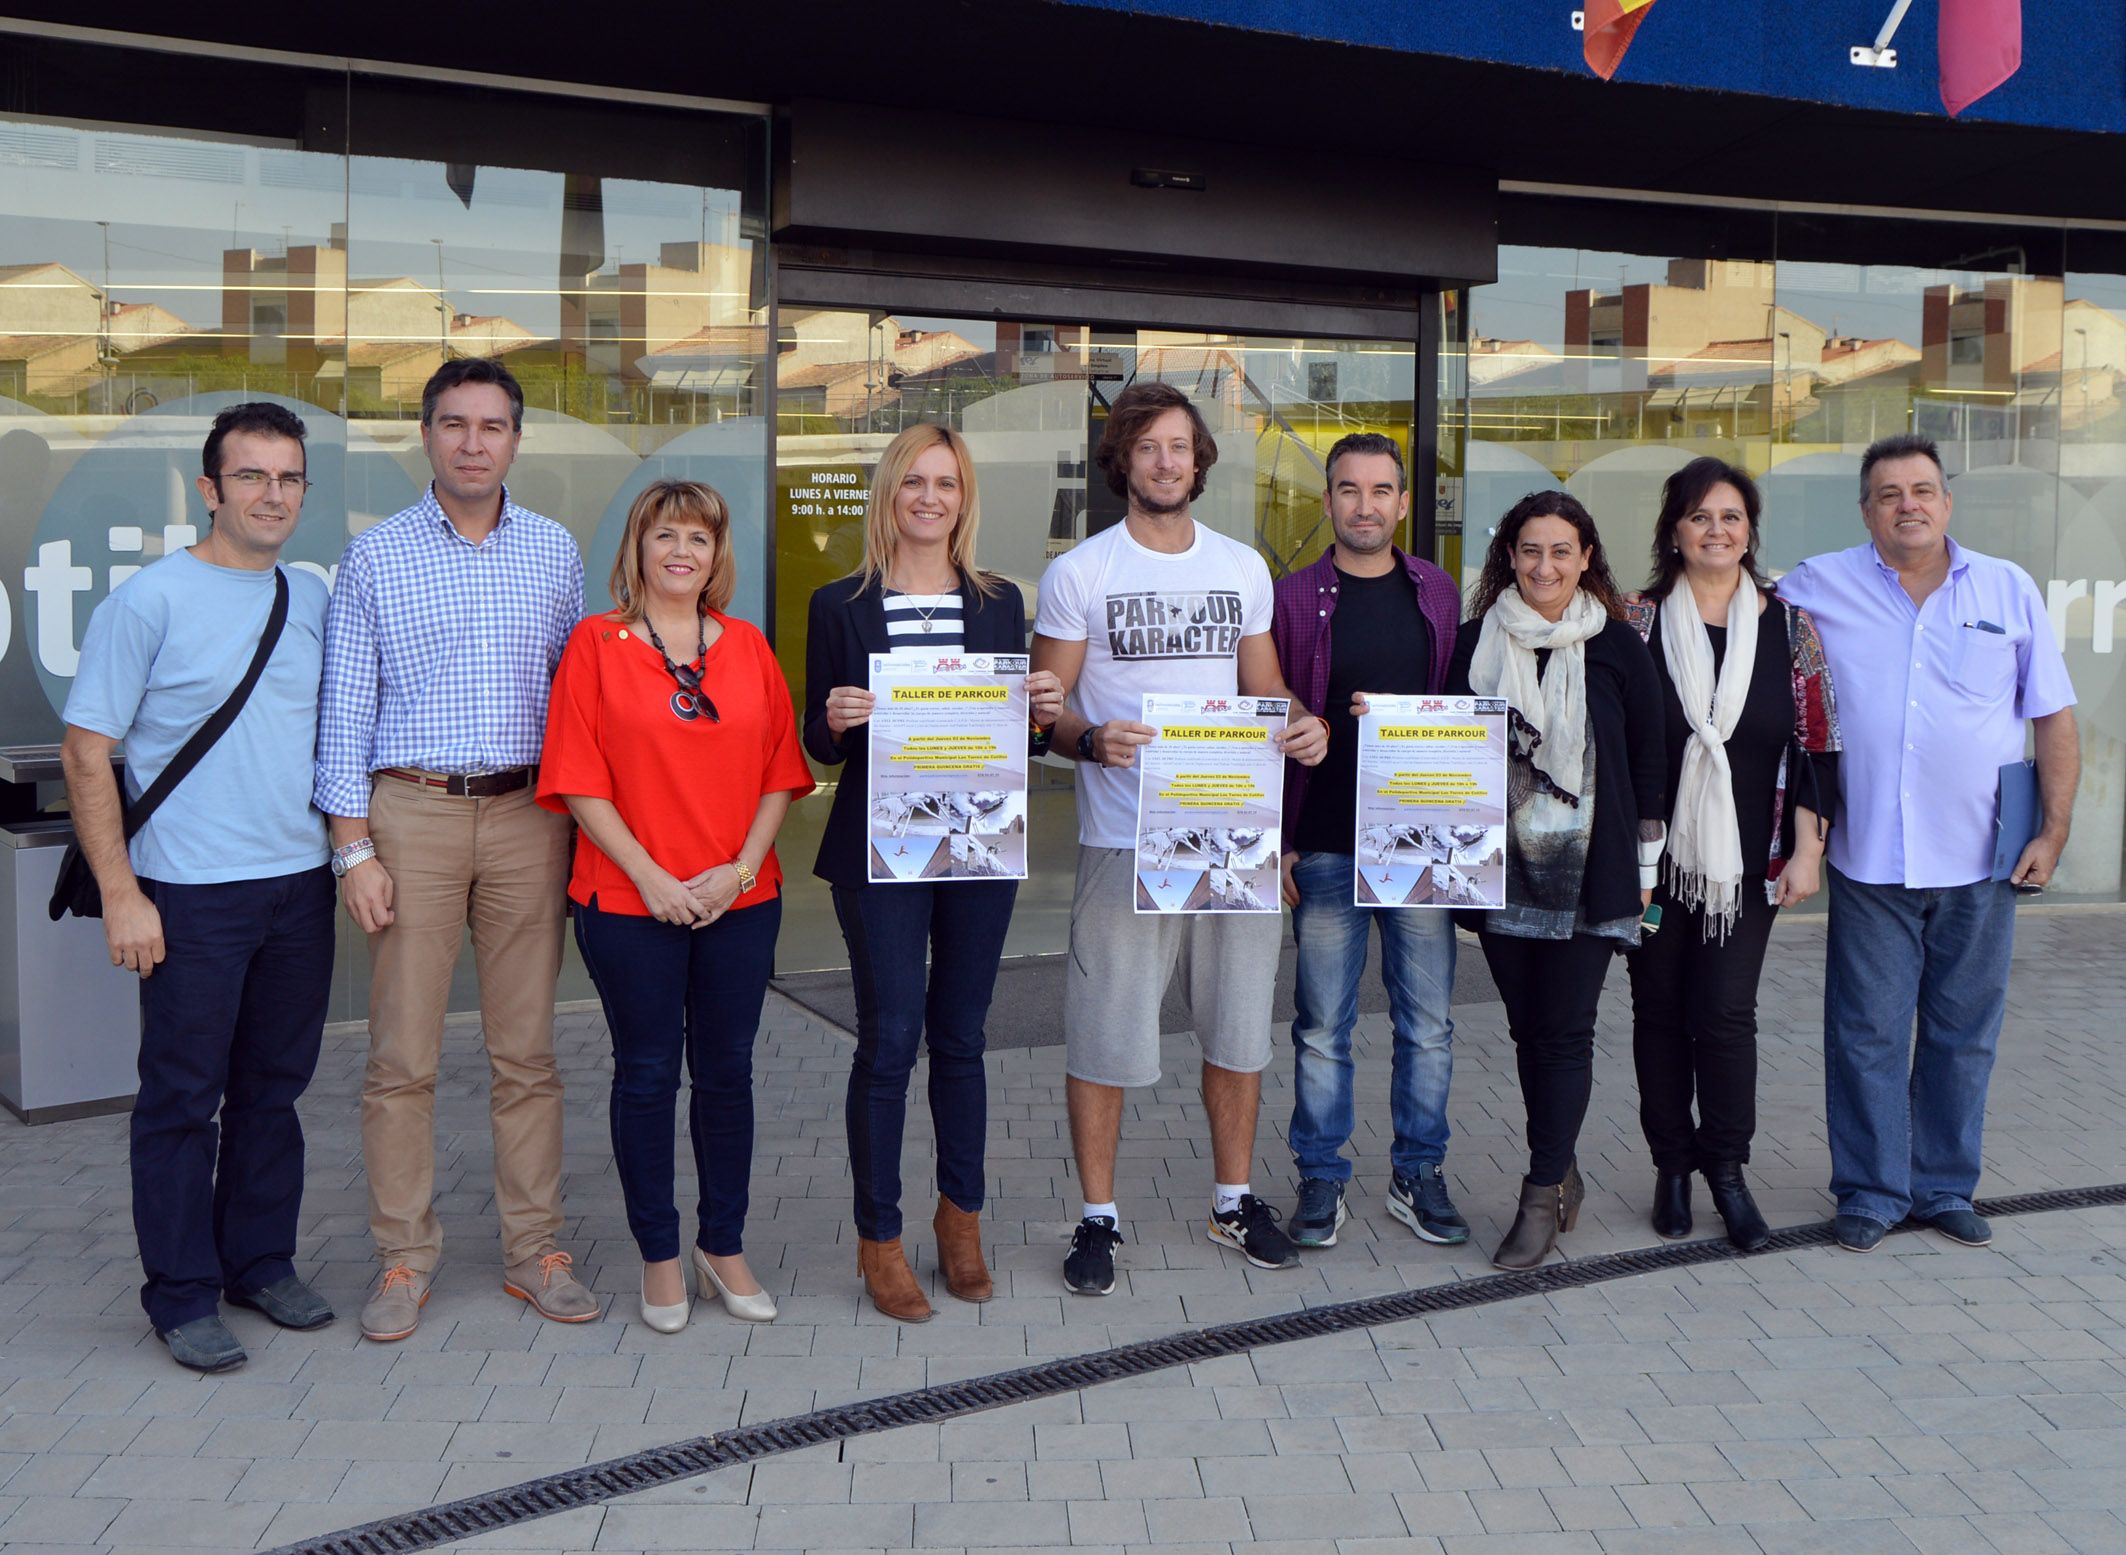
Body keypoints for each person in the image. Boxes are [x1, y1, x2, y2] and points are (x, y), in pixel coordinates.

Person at [1031, 380, 1328, 1296]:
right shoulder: (1082, 571)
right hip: (1125, 838)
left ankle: (1233, 1199)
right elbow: (1043, 711)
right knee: (1104, 1034)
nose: (1167, 461)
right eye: (1149, 446)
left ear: (1201, 460)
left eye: (1181, 446)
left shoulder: (1242, 566)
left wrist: (1303, 722)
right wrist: (1089, 738)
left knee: (1240, 1029)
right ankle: (1097, 1217)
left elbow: (1263, 687)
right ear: (1123, 460)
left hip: (1228, 835)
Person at [316, 358, 591, 1340]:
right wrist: (353, 850)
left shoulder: (554, 551)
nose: (474, 440)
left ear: (516, 439)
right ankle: (403, 1256)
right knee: (401, 1056)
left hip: (528, 818)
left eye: (492, 425)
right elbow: (344, 708)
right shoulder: (379, 555)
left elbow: (579, 695)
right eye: (454, 423)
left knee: (527, 1052)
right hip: (414, 817)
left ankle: (534, 1249)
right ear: (425, 435)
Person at [61, 402, 335, 1372]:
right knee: (182, 1099)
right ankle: (180, 1294)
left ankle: (258, 1261)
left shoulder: (310, 598)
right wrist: (122, 891)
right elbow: (87, 751)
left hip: (298, 888)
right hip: (189, 896)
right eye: (251, 476)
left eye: (289, 477)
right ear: (210, 489)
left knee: (274, 1091)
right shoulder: (149, 602)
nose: (272, 493)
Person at [1778, 433, 2077, 1253]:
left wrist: (2052, 832)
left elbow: (2051, 717)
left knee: (1963, 1030)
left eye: (1922, 489)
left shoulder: (2007, 589)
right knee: (1865, 1031)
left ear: (1946, 502)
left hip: (1983, 855)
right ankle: (1872, 1189)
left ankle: (1943, 1185)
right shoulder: (1817, 586)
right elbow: (1722, 603)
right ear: (1867, 510)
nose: (1907, 504)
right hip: (1871, 853)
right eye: (1888, 493)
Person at [804, 424, 1066, 1322]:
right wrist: (836, 717)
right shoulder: (839, 602)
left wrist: (1042, 709)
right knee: (888, 1038)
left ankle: (962, 1221)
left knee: (961, 1035)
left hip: (978, 842)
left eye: (946, 483)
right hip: (880, 847)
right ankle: (879, 1239)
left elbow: (1015, 733)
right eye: (913, 480)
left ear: (964, 497)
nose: (929, 497)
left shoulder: (1000, 604)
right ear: (890, 492)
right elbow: (815, 743)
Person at [540, 479, 813, 1330]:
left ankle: (720, 1245)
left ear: (716, 553)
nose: (682, 552)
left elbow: (780, 773)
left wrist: (736, 871)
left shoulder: (748, 647)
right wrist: (652, 877)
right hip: (628, 899)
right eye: (665, 536)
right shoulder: (596, 643)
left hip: (740, 896)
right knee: (649, 1073)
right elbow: (578, 778)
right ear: (638, 548)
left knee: (728, 1073)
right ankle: (660, 1253)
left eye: (698, 537)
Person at [1621, 458, 1842, 1252]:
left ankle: (1728, 1170)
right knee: (1658, 1012)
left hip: (1749, 863)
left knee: (1723, 1014)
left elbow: (1820, 742)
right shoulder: (1634, 620)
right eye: (1699, 516)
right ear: (1673, 531)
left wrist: (1809, 850)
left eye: (1731, 516)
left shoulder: (1789, 627)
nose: (1716, 530)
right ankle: (1671, 1168)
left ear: (1749, 532)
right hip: (1650, 861)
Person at [1445, 491, 1665, 1270]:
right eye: (1530, 550)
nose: (1545, 566)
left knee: (1566, 1030)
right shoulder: (1476, 640)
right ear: (1510, 554)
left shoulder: (1616, 646)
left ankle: (1540, 1191)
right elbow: (1440, 742)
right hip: (1500, 872)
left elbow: (1649, 759)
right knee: (1528, 1029)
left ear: (1585, 559)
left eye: (1561, 552)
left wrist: (1645, 873)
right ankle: (1560, 1160)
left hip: (1591, 875)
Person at [1269, 432, 1467, 1249]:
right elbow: (1265, 717)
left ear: (1402, 503)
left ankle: (1417, 1171)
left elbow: (1460, 714)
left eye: (1380, 490)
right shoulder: (1290, 597)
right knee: (1322, 1026)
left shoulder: (1439, 592)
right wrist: (1276, 839)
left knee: (1429, 1023)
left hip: (1417, 844)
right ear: (1328, 502)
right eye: (1348, 490)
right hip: (1322, 843)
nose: (1364, 505)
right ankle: (1321, 1175)